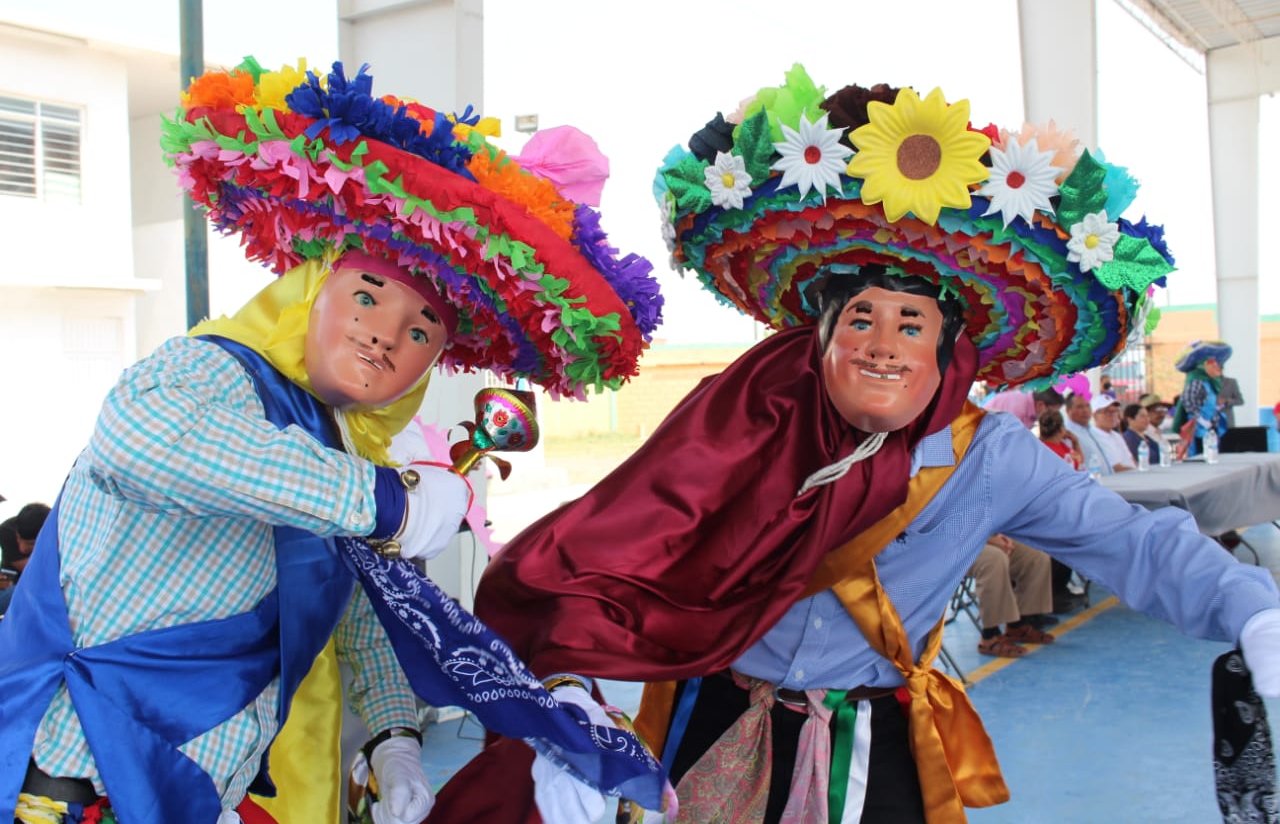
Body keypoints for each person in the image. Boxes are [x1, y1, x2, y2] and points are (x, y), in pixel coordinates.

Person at [429, 65, 1280, 824]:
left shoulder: (991, 456)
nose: (881, 342)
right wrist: (571, 694)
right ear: (820, 335)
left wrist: (1252, 607)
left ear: (950, 347)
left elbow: (1133, 543)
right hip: (712, 714)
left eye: (910, 322)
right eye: (859, 317)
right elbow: (615, 547)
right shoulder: (744, 418)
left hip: (875, 740)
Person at [0, 59, 664, 824]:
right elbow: (140, 438)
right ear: (314, 289)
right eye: (368, 295)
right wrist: (389, 501)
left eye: (420, 329)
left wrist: (394, 740)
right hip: (68, 781)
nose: (384, 334)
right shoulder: (210, 371)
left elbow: (353, 611)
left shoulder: (334, 455)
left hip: (191, 789)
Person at [968, 534, 1056, 658]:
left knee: (1036, 555)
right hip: (948, 545)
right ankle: (989, 636)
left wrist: (1001, 535)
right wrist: (988, 540)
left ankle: (1018, 625)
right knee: (994, 559)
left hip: (981, 536)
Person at [1171, 339, 1233, 457]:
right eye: (1214, 363)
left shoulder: (1209, 383)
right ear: (1204, 364)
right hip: (1197, 430)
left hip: (1209, 429)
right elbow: (1188, 401)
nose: (1219, 367)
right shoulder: (1197, 381)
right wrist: (1201, 420)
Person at [1063, 391, 1111, 475]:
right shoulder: (1067, 434)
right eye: (1079, 407)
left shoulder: (1092, 431)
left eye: (1087, 406)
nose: (1085, 410)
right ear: (1068, 410)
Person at [1090, 394, 1136, 472]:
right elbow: (1115, 468)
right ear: (1095, 415)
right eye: (1107, 412)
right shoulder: (1093, 437)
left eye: (1115, 411)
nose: (1113, 415)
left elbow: (1131, 460)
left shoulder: (1117, 436)